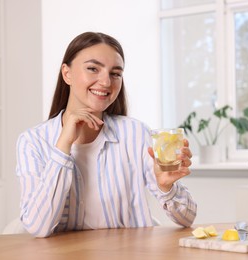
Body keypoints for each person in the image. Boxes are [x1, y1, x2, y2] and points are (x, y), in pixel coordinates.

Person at [16, 32, 197, 238]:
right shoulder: (32, 142)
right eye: (93, 69)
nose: (105, 82)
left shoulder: (136, 133)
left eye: (115, 73)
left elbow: (187, 218)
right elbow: (37, 227)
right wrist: (64, 145)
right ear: (67, 74)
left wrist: (167, 187)